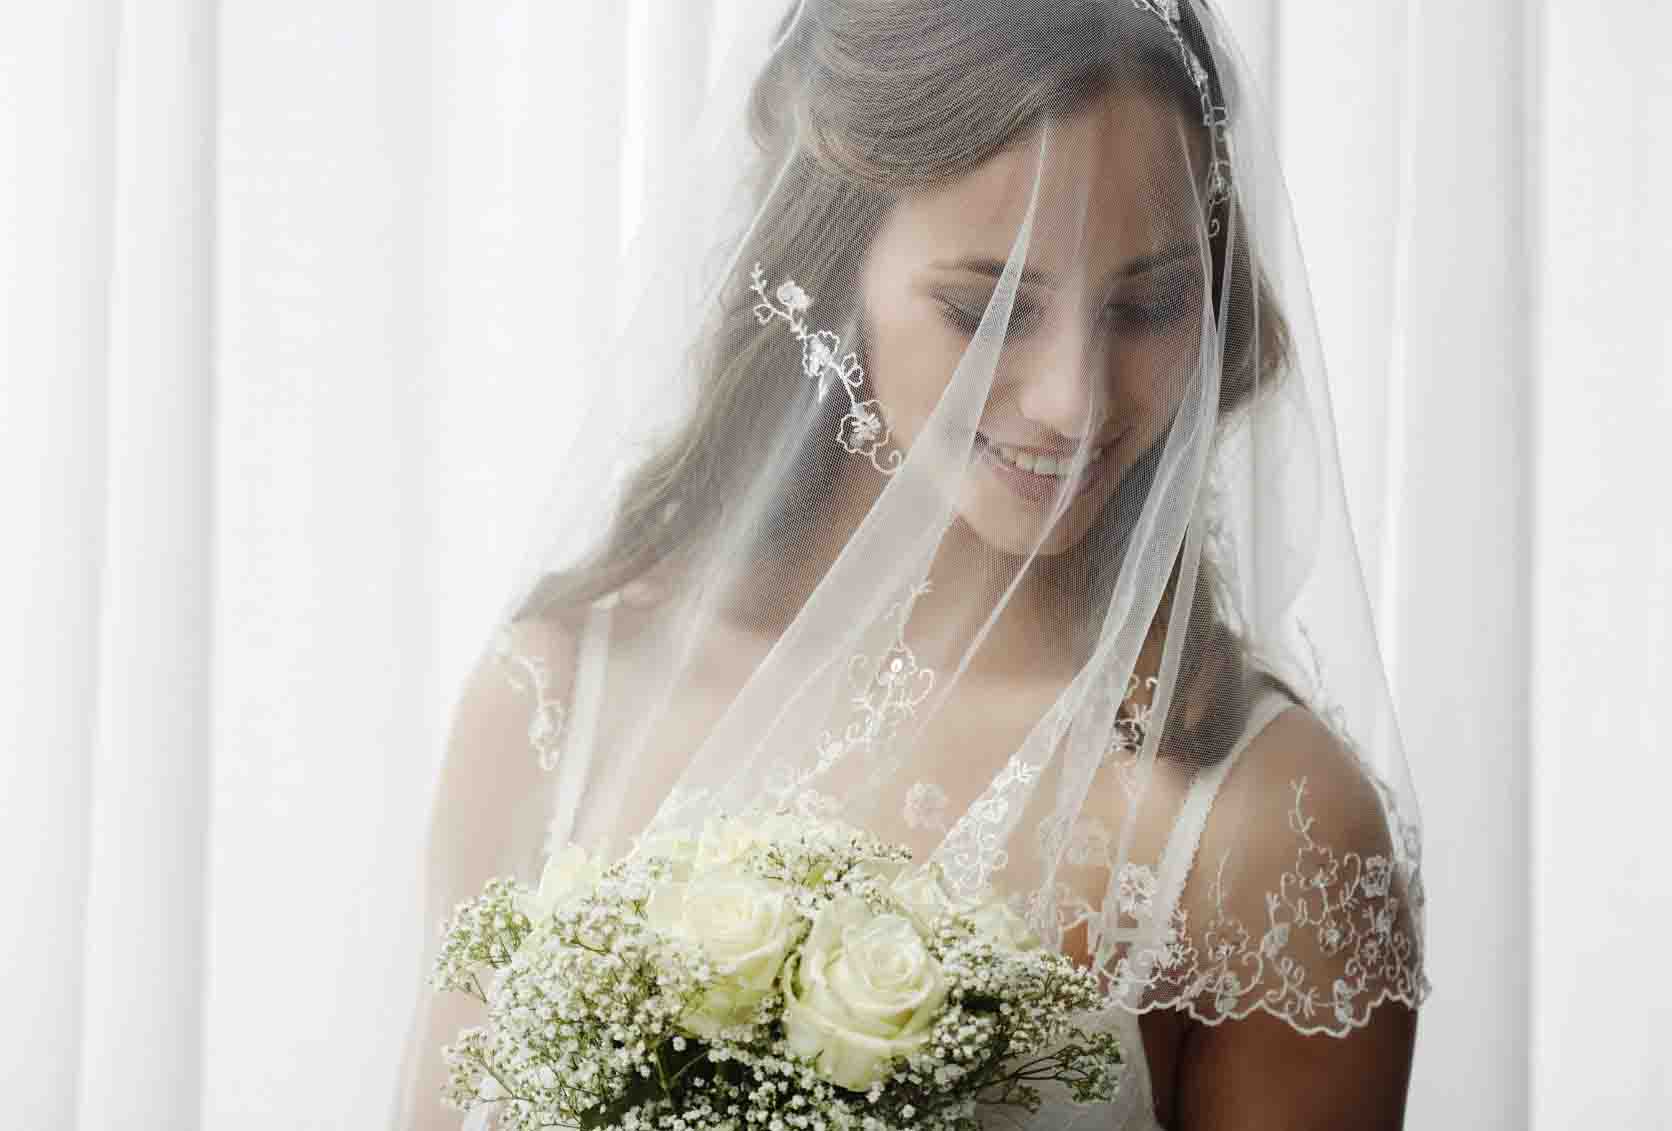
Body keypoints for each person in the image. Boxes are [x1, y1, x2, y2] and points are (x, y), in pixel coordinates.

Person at [391, 1, 1430, 1127]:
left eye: (1151, 304)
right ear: (833, 275)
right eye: (988, 311)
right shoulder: (558, 698)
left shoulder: (1266, 820)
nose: (1074, 401)